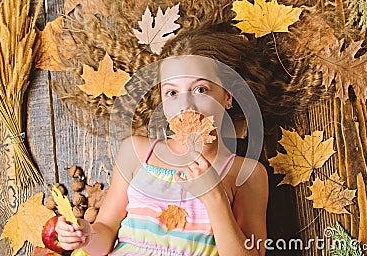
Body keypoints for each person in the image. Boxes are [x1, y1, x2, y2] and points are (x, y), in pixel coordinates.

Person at [55, 26, 281, 256]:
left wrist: (214, 197)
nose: (186, 106)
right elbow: (103, 237)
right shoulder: (136, 152)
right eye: (172, 93)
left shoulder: (246, 174)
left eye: (200, 89)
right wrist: (84, 234)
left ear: (227, 96)